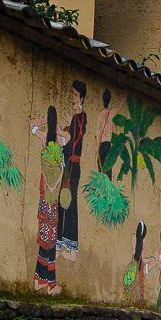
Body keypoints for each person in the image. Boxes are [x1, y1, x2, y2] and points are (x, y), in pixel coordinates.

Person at [31, 104, 62, 292]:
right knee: (50, 239)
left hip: (45, 196)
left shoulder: (44, 137)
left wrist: (42, 121)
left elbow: (32, 127)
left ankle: (41, 279)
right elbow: (61, 169)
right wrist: (54, 184)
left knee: (45, 237)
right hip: (53, 196)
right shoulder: (59, 141)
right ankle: (48, 282)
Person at [56, 81, 87, 258]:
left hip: (73, 167)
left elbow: (71, 138)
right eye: (72, 94)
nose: (73, 98)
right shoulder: (77, 118)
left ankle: (71, 250)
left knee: (70, 204)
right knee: (63, 203)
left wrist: (58, 130)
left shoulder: (81, 117)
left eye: (76, 95)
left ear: (82, 98)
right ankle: (60, 244)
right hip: (69, 165)